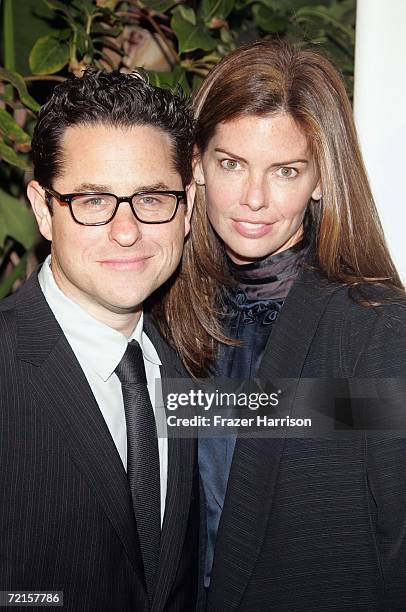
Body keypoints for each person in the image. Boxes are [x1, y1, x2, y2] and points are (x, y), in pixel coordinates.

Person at [156, 40, 406, 610]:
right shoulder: (163, 317)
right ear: (195, 163)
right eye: (231, 164)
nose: (253, 199)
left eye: (285, 171)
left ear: (321, 179)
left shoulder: (378, 334)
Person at [0, 70, 198, 611]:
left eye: (152, 198)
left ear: (186, 210)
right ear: (43, 208)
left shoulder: (190, 369)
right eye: (92, 201)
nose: (127, 229)